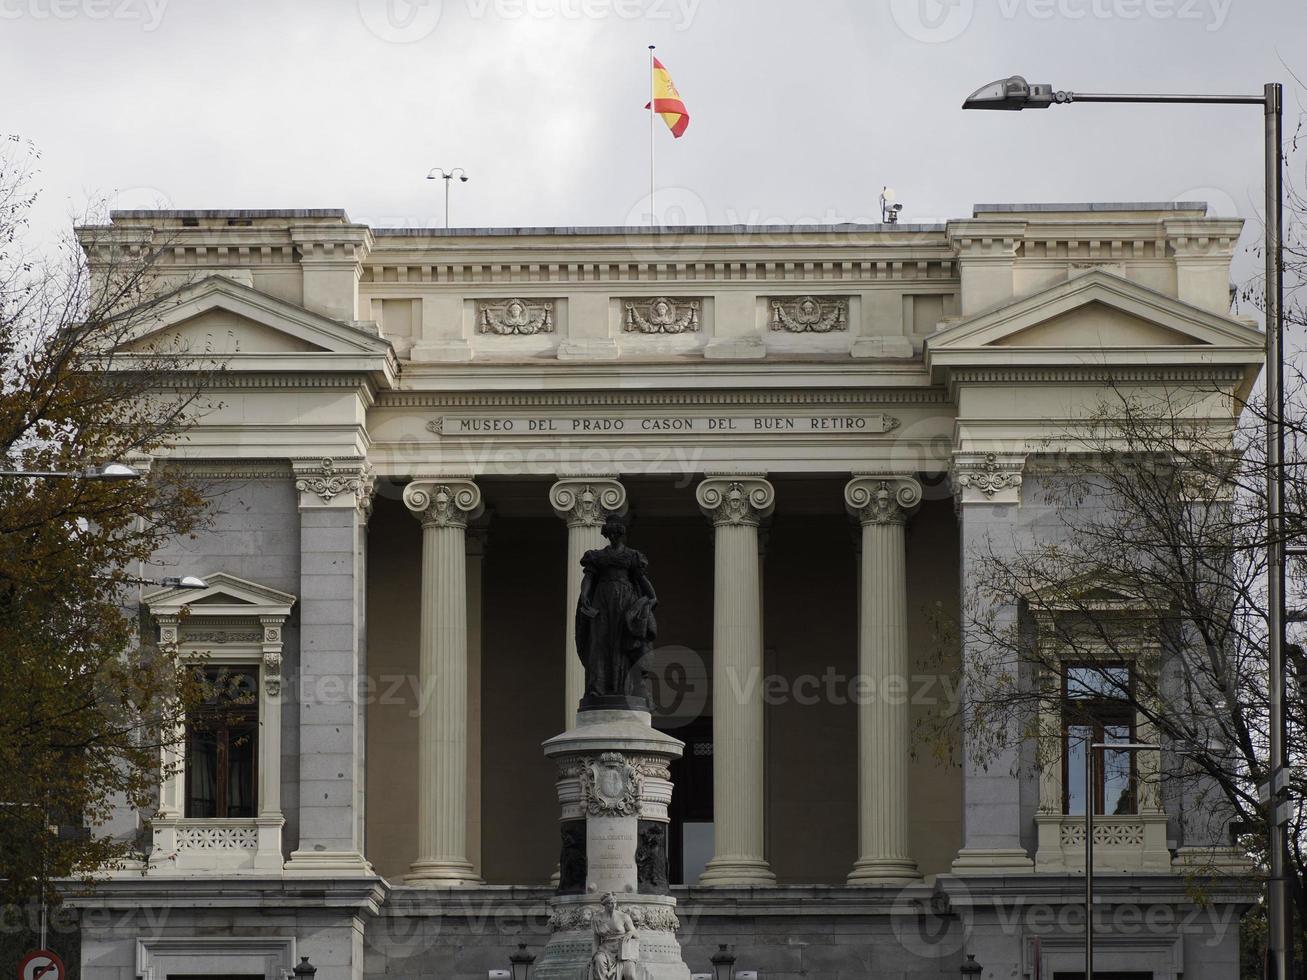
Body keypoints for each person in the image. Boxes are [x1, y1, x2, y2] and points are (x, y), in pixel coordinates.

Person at [576, 514, 657, 706]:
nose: (613, 537)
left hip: (626, 602)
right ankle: (598, 688)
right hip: (602, 602)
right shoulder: (597, 556)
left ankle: (624, 688)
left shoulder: (632, 556)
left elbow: (640, 579)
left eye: (616, 533)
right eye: (610, 534)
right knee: (599, 642)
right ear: (607, 534)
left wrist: (651, 597)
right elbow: (588, 578)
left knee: (623, 643)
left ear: (621, 534)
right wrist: (585, 597)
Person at [585, 892, 639, 980]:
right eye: (610, 903)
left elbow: (636, 933)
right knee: (598, 960)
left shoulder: (623, 916)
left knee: (630, 975)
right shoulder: (597, 918)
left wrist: (631, 932)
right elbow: (596, 940)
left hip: (622, 950)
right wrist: (593, 955)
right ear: (605, 905)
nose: (613, 905)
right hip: (605, 950)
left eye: (614, 903)